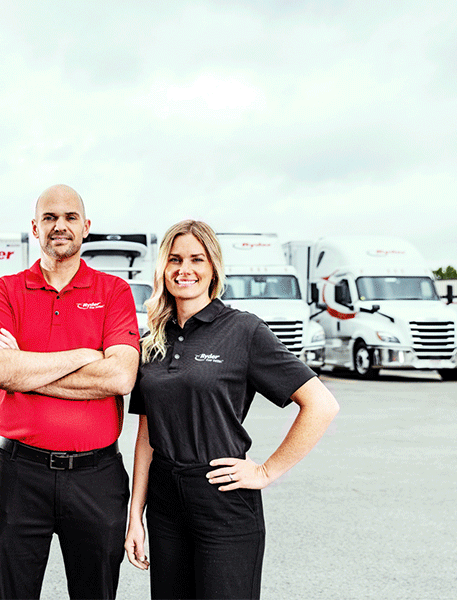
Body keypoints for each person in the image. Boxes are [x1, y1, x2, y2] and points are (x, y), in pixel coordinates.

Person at [124, 219, 340, 600]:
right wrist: (135, 517)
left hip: (222, 498)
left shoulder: (243, 330)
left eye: (196, 259)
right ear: (162, 268)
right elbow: (146, 433)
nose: (184, 270)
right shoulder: (152, 340)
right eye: (174, 260)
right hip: (164, 503)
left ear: (213, 269)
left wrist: (266, 471)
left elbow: (321, 404)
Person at [0, 184, 140, 600]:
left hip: (96, 477)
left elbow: (120, 377)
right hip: (15, 473)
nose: (59, 226)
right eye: (49, 218)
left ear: (86, 228)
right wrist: (87, 354)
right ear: (35, 227)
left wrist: (26, 370)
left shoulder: (114, 292)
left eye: (70, 218)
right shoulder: (7, 289)